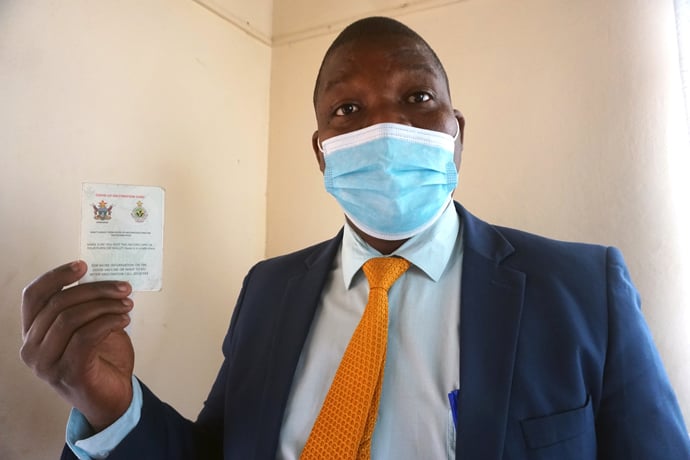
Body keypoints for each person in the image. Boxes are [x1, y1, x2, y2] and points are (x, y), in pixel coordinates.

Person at [20, 16, 690, 460]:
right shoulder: (267, 291)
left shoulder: (579, 288)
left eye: (418, 98)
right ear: (322, 152)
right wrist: (110, 404)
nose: (388, 126)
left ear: (457, 135)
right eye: (349, 109)